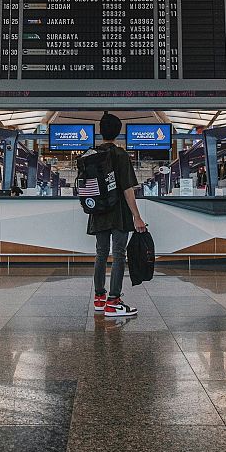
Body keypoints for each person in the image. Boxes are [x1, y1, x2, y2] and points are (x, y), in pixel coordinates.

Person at [87, 112, 147, 318]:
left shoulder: (91, 153)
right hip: (118, 213)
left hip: (98, 211)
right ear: (118, 132)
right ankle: (113, 302)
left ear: (100, 132)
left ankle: (99, 298)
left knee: (101, 253)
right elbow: (127, 189)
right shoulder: (120, 155)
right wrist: (137, 216)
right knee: (118, 254)